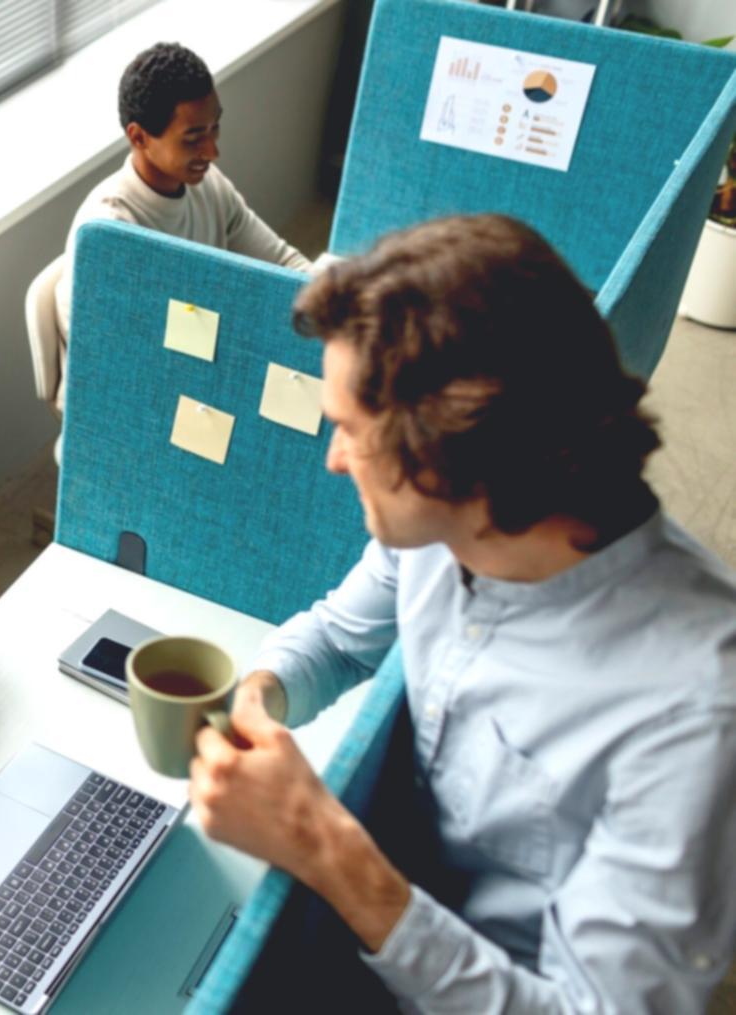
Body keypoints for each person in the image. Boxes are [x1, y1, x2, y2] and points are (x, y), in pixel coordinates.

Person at [188, 214, 736, 1012]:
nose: (331, 458)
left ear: (449, 452)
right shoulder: (441, 528)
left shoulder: (693, 712)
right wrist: (262, 691)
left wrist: (325, 846)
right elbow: (341, 639)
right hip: (385, 923)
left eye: (348, 430)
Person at [52, 41, 312, 412]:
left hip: (199, 372)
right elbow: (125, 363)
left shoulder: (209, 187)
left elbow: (284, 265)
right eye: (193, 138)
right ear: (139, 137)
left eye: (214, 128)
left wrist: (334, 303)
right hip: (129, 400)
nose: (212, 151)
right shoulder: (113, 231)